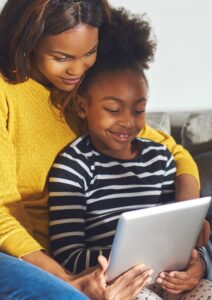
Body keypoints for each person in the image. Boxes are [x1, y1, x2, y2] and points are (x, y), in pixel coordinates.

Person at [0, 0, 209, 299]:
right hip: (22, 254)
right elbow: (3, 214)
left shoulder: (82, 93)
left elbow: (175, 152)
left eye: (89, 53)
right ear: (28, 42)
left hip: (99, 260)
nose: (77, 69)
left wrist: (187, 231)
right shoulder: (7, 94)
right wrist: (69, 281)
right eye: (61, 57)